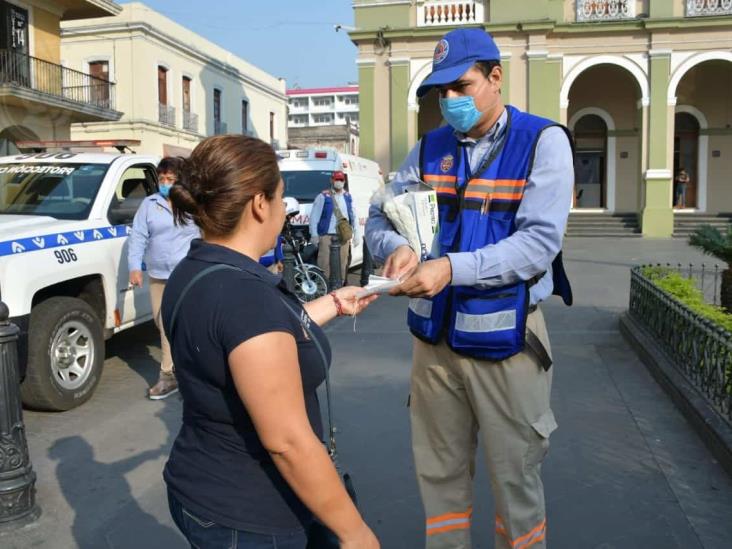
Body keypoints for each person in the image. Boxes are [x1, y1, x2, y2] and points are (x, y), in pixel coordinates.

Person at [366, 28, 574, 549]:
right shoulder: (429, 148)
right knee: (439, 480)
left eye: (462, 86)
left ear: (495, 77)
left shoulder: (541, 142)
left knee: (515, 481)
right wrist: (396, 247)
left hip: (508, 344)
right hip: (433, 347)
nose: (451, 101)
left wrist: (450, 269)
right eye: (443, 92)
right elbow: (378, 216)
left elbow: (537, 245)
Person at [161, 135, 380, 549]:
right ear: (259, 204)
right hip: (252, 516)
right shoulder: (244, 298)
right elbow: (289, 441)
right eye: (280, 197)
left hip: (201, 489)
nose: (284, 208)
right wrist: (356, 533)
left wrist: (333, 302)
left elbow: (257, 337)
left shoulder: (195, 269)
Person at [128, 156, 200, 400]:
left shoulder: (191, 204)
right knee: (161, 322)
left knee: (176, 323)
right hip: (158, 274)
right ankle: (181, 365)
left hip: (186, 273)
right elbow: (138, 235)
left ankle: (168, 374)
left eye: (171, 179)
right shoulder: (149, 204)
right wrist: (134, 267)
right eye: (162, 179)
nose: (165, 183)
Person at [309, 172, 361, 285]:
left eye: (341, 180)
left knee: (342, 263)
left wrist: (357, 234)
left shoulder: (348, 197)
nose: (339, 182)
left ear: (344, 181)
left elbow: (354, 216)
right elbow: (314, 217)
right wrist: (314, 234)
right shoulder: (323, 196)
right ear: (331, 180)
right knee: (325, 263)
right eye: (337, 179)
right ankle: (324, 285)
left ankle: (340, 285)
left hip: (343, 236)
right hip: (327, 235)